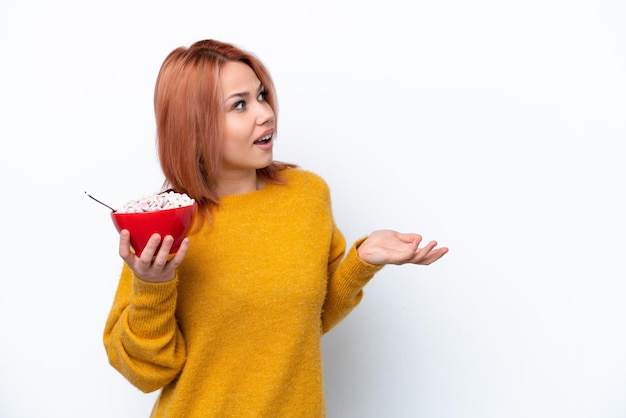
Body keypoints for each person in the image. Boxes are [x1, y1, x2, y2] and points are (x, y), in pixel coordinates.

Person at [103, 39, 448, 418]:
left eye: (262, 96)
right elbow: (145, 372)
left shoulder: (306, 196)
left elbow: (303, 323)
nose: (265, 113)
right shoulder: (169, 222)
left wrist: (362, 260)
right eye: (239, 104)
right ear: (194, 125)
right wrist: (152, 286)